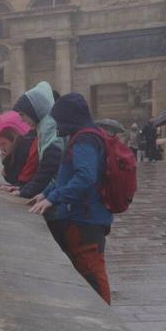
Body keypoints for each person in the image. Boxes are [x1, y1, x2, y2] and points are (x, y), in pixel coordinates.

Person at [29, 93, 113, 304]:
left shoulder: (85, 139)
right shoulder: (80, 136)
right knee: (85, 272)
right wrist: (46, 193)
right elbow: (66, 173)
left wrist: (53, 198)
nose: (57, 125)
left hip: (87, 219)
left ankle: (106, 322)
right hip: (82, 217)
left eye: (59, 120)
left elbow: (85, 177)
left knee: (92, 272)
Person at [2, 81, 65, 200]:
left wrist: (24, 191)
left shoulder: (50, 132)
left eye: (22, 115)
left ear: (33, 111)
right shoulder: (46, 129)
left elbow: (47, 173)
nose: (21, 120)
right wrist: (23, 189)